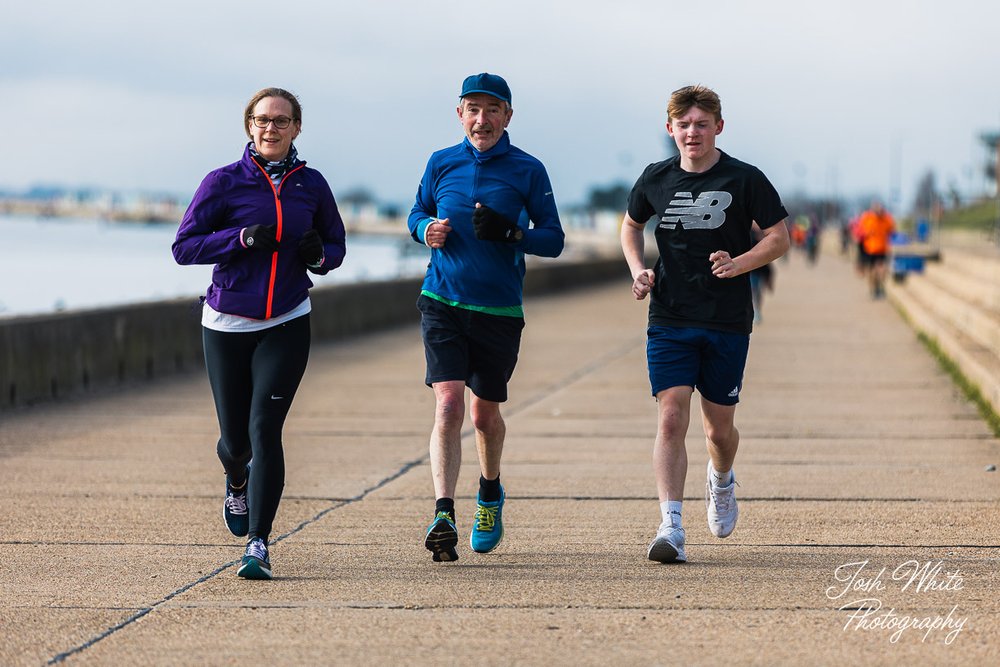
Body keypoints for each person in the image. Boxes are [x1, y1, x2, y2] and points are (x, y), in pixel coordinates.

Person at [172, 87, 346, 580]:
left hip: (287, 320)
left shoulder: (311, 185)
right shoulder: (223, 182)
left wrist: (318, 256)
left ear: (296, 128)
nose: (271, 128)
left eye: (282, 121)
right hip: (226, 321)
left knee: (265, 430)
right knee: (236, 443)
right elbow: (183, 248)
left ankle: (259, 544)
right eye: (262, 120)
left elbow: (335, 245)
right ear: (249, 126)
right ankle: (235, 476)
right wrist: (241, 238)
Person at [619, 85, 789, 563]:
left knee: (718, 431)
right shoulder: (656, 178)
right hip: (670, 315)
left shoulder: (745, 179)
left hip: (727, 320)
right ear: (670, 128)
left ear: (718, 126)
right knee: (671, 413)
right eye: (683, 124)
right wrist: (639, 271)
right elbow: (631, 225)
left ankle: (721, 480)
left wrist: (740, 263)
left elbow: (779, 237)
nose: (692, 132)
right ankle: (670, 526)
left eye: (701, 123)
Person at [407, 73, 564, 562]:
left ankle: (490, 492)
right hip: (442, 302)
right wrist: (425, 229)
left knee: (483, 414)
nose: (482, 119)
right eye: (472, 109)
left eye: (492, 109)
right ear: (460, 115)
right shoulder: (440, 162)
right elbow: (415, 214)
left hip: (498, 310)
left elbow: (554, 239)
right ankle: (442, 512)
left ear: (508, 116)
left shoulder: (528, 170)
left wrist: (513, 233)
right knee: (449, 405)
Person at [857, 200, 895, 298]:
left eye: (880, 209)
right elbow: (859, 232)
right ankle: (873, 289)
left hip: (882, 249)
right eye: (876, 209)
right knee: (872, 271)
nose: (879, 211)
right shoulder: (867, 219)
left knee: (882, 270)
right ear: (872, 210)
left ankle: (879, 287)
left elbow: (892, 231)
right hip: (869, 249)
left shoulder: (887, 219)